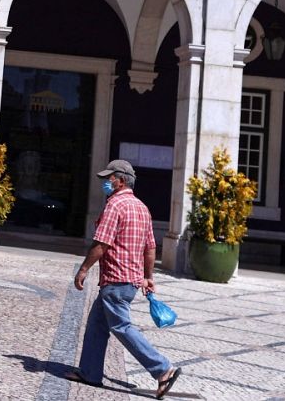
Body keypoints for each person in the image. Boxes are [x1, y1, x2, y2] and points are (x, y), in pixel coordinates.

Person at [67, 159, 180, 398]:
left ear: (120, 180)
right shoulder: (141, 207)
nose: (105, 182)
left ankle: (163, 370)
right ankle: (90, 372)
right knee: (97, 325)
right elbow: (150, 247)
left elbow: (101, 244)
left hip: (116, 280)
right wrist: (148, 277)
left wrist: (84, 269)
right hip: (129, 280)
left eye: (109, 178)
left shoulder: (115, 206)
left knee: (121, 326)